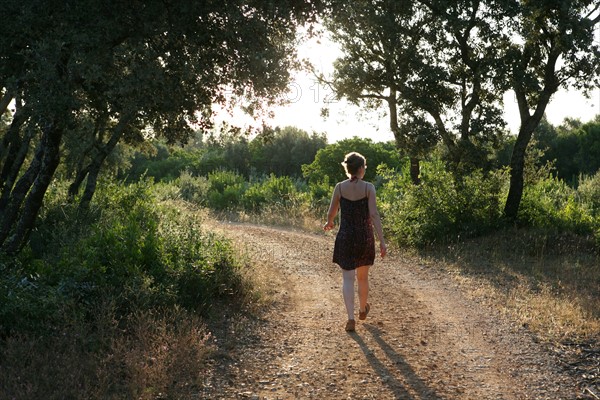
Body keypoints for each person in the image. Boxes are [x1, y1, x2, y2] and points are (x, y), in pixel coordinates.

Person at [324, 152, 387, 332]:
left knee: (347, 278)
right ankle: (362, 309)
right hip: (364, 237)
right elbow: (373, 215)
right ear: (360, 169)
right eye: (364, 167)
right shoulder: (369, 188)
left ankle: (350, 319)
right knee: (362, 277)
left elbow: (332, 212)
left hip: (345, 236)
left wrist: (329, 223)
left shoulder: (340, 188)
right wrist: (382, 241)